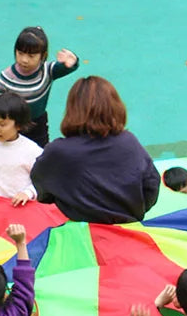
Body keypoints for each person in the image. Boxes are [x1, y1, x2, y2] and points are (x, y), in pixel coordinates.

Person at [30, 76, 160, 224]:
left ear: (72, 109)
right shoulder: (129, 142)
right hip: (126, 233)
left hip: (79, 235)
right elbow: (151, 185)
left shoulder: (59, 151)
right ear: (114, 106)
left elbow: (41, 187)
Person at [0, 26, 79, 147]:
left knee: (40, 158)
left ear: (43, 56)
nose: (24, 60)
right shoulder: (6, 78)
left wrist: (72, 61)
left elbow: (67, 67)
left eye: (31, 56)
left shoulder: (47, 71)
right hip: (12, 128)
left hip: (38, 127)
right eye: (20, 53)